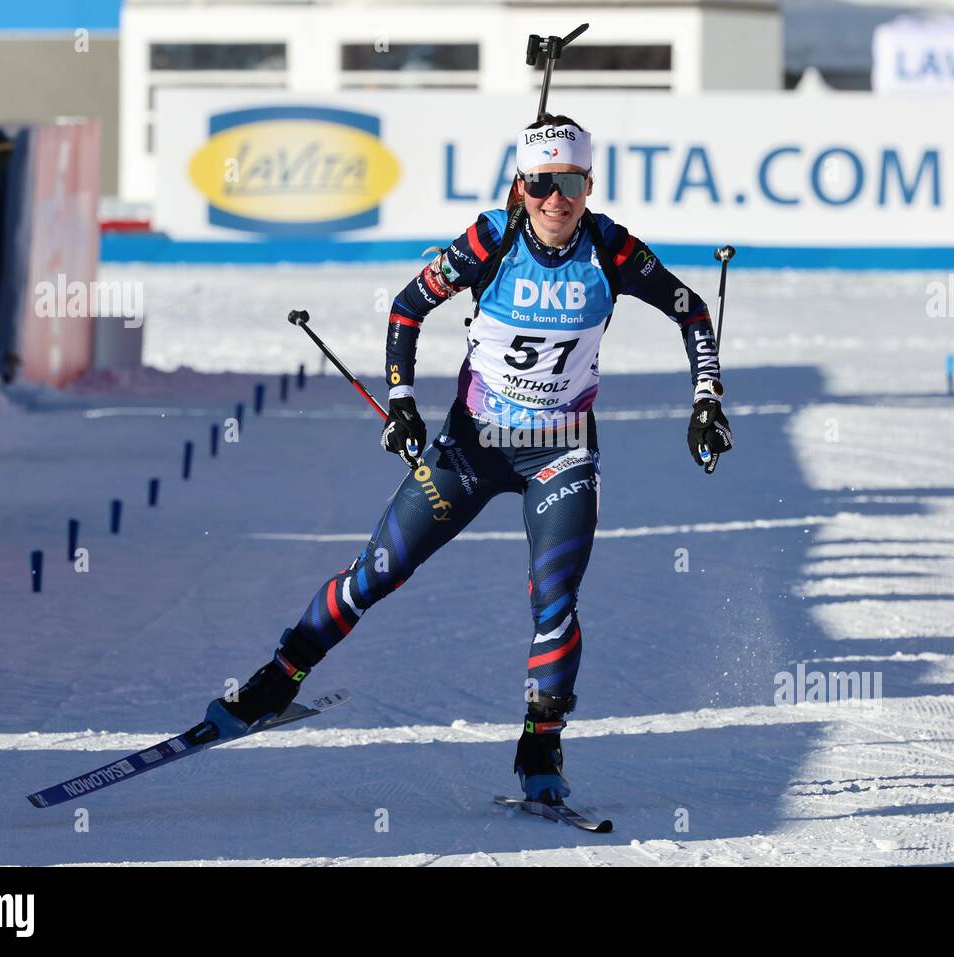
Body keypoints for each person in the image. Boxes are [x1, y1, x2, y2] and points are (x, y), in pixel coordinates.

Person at [205, 114, 733, 803]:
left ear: (589, 185)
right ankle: (278, 680)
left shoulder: (610, 247)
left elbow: (691, 309)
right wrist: (400, 400)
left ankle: (540, 748)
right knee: (376, 573)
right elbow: (406, 307)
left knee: (555, 602)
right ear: (522, 184)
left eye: (570, 182)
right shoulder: (491, 238)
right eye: (541, 183)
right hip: (472, 446)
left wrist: (706, 398)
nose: (555, 199)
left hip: (560, 451)